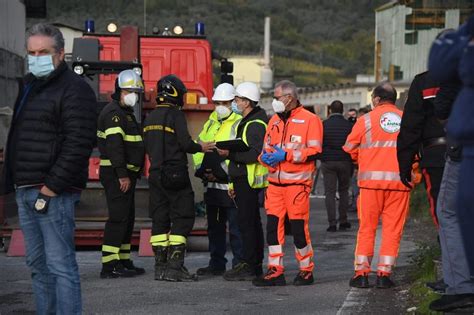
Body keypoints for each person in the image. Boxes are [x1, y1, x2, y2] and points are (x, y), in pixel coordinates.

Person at [0, 23, 96, 314]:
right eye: (32, 52)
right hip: (26, 189)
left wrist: (50, 188)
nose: (37, 57)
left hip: (53, 194)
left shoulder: (75, 89)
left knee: (60, 266)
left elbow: (79, 143)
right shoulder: (28, 85)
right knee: (38, 267)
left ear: (60, 54)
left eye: (44, 52)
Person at [143, 74, 215, 282]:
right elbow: (185, 143)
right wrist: (201, 147)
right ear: (175, 94)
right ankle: (175, 268)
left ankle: (160, 268)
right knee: (182, 217)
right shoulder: (175, 115)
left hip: (155, 174)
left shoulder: (151, 117)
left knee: (160, 219)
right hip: (175, 173)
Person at [254, 80, 323, 286]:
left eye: (277, 98)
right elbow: (266, 148)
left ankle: (306, 270)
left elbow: (315, 152)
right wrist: (263, 159)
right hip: (274, 186)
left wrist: (288, 155)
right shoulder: (273, 120)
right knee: (273, 229)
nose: (274, 101)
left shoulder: (311, 120)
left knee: (299, 230)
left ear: (289, 98)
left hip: (297, 187)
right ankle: (275, 270)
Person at [343, 82, 411, 289]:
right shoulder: (406, 120)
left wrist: (363, 159)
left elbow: (349, 147)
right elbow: (415, 152)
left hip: (371, 184)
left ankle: (361, 274)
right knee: (392, 230)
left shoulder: (365, 120)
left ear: (377, 99)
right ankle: (384, 274)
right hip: (399, 184)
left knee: (367, 228)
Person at [428, 19, 474, 312]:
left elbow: (440, 67)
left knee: (449, 211)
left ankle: (461, 283)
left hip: (465, 148)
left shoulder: (461, 48)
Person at [217, 81, 269, 281]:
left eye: (238, 99)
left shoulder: (254, 124)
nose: (235, 103)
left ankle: (251, 264)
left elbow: (256, 154)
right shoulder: (249, 121)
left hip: (248, 181)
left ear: (247, 102)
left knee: (247, 224)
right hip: (242, 179)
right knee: (250, 223)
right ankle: (252, 263)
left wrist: (230, 154)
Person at [97, 70, 146, 278]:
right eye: (129, 91)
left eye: (135, 91)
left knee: (127, 218)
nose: (133, 95)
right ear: (119, 91)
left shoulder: (126, 113)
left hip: (127, 174)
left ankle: (123, 259)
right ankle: (109, 265)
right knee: (118, 219)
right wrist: (122, 174)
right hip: (117, 175)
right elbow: (115, 147)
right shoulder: (114, 114)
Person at [193, 83, 243, 276]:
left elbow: (236, 152)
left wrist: (222, 173)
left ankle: (239, 263)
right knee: (215, 227)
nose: (220, 106)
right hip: (212, 186)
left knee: (236, 229)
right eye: (217, 102)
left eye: (224, 102)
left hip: (230, 185)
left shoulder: (239, 122)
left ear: (233, 103)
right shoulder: (212, 121)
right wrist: (202, 170)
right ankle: (216, 263)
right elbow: (201, 146)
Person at [397, 70, 446, 227]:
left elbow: (411, 126)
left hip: (436, 155)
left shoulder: (424, 81)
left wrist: (405, 164)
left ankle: (449, 247)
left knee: (442, 208)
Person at [320, 100, 353, 232]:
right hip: (345, 161)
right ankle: (343, 220)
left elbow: (319, 142)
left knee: (330, 193)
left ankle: (332, 223)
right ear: (343, 110)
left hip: (328, 162)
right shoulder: (348, 125)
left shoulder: (324, 125)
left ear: (330, 111)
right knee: (344, 191)